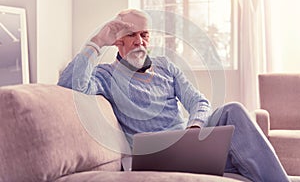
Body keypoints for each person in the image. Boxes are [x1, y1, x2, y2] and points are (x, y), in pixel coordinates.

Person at [58, 9, 290, 182]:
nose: (140, 41)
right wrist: (98, 41)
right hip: (157, 154)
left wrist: (195, 127)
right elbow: (69, 84)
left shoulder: (165, 66)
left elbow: (198, 100)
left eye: (145, 35)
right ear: (119, 40)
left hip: (189, 141)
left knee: (234, 110)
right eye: (132, 35)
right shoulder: (106, 75)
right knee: (244, 158)